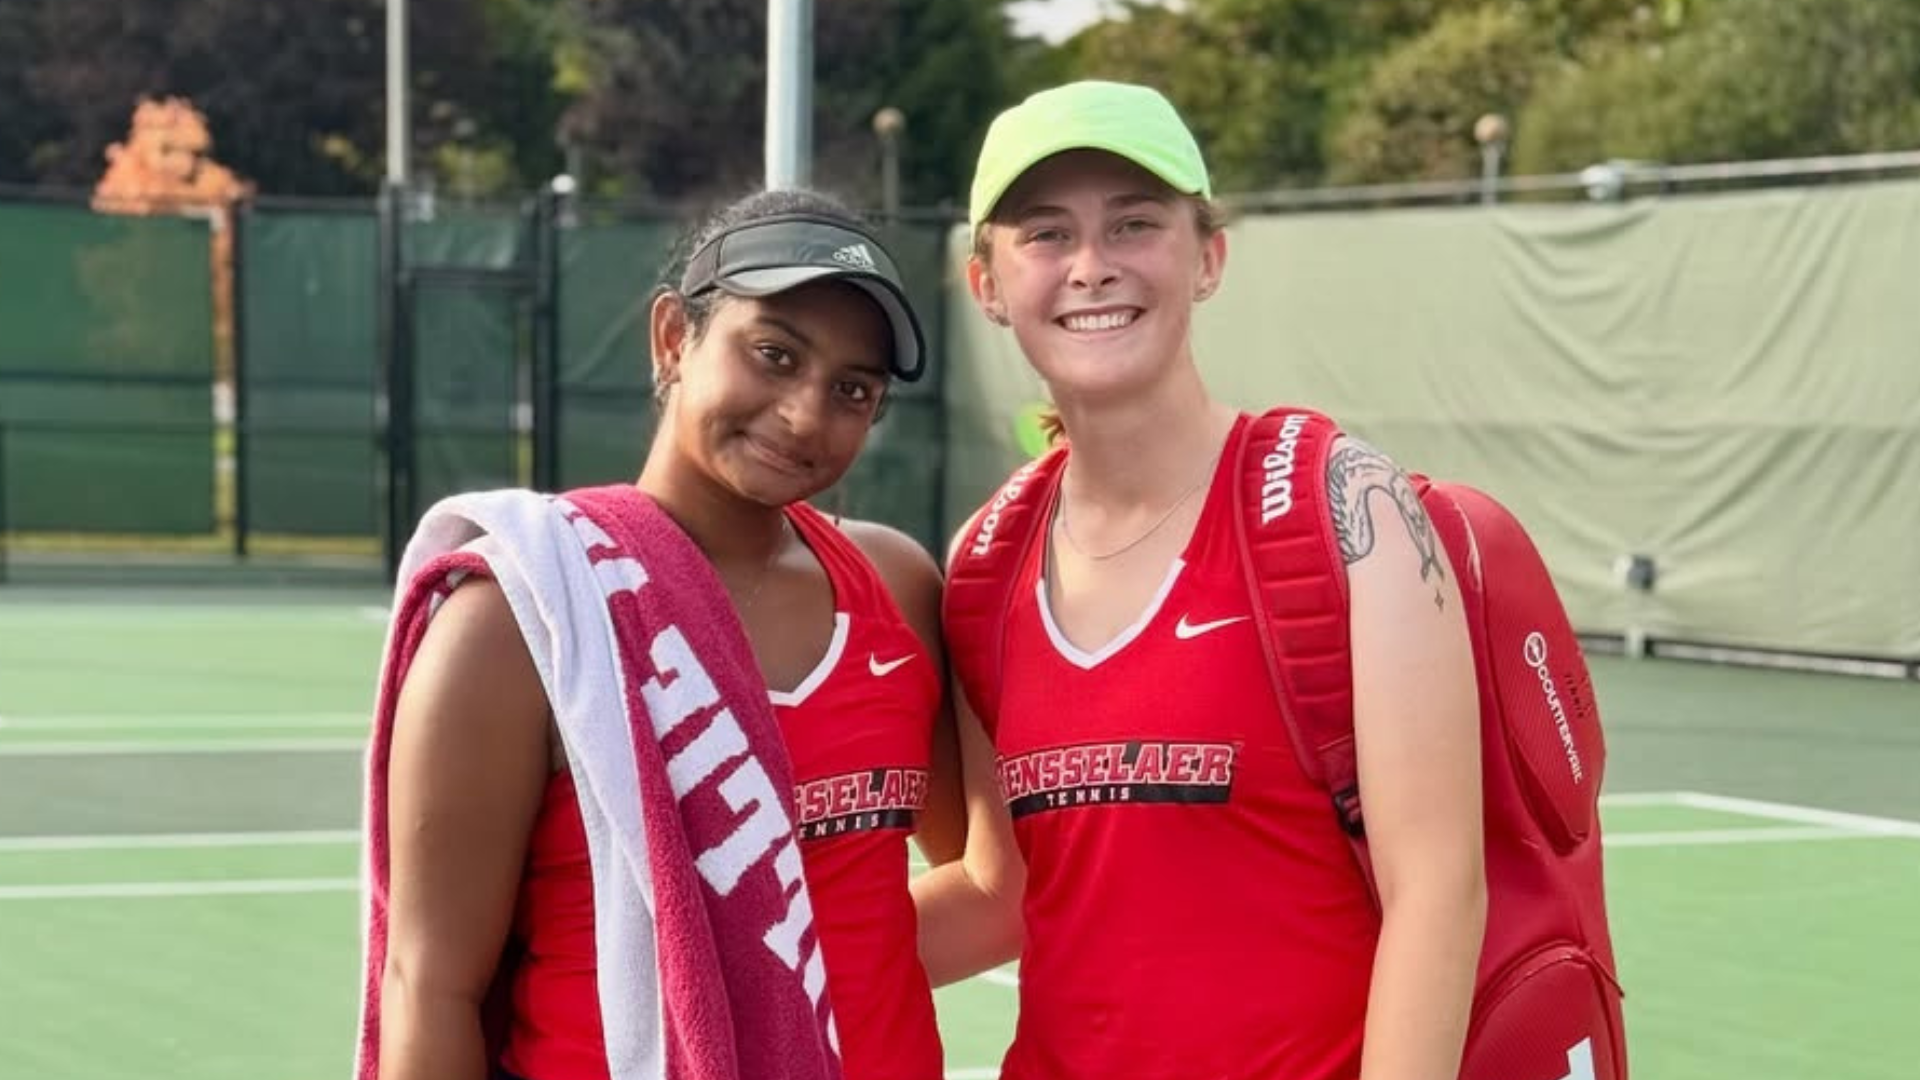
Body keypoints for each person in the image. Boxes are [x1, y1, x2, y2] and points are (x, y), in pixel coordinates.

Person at [913, 81, 1487, 1080]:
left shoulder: (1346, 507)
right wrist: (724, 953)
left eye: (1133, 224)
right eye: (1046, 234)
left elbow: (1436, 890)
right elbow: (1002, 895)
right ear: (987, 285)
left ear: (1208, 257)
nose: (1091, 265)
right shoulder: (985, 563)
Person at [367, 189, 962, 1080]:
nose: (805, 413)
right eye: (774, 354)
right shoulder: (524, 615)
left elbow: (984, 877)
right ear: (674, 338)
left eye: (852, 390)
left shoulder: (896, 586)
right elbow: (431, 987)